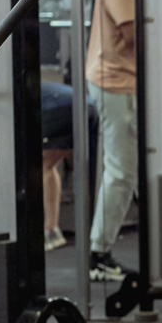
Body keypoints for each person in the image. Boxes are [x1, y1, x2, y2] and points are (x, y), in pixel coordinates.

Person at [86, 0, 137, 282]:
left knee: (122, 170)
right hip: (115, 83)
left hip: (120, 83)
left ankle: (99, 251)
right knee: (121, 171)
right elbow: (135, 34)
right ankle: (98, 255)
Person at [41, 79, 99, 251]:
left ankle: (50, 231)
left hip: (68, 108)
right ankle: (52, 231)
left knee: (41, 166)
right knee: (46, 165)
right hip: (87, 106)